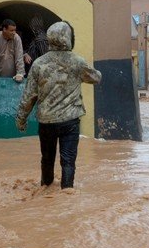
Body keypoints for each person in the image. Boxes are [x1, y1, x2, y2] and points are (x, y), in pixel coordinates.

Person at [16, 21, 102, 189]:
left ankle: (45, 190)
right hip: (70, 121)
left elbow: (29, 96)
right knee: (68, 160)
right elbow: (96, 78)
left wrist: (21, 119)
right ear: (68, 38)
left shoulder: (39, 63)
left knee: (47, 159)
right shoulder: (77, 62)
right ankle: (66, 193)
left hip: (46, 121)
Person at [0, 19, 25, 83]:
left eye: (15, 30)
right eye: (11, 30)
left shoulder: (16, 38)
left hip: (13, 78)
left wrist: (20, 73)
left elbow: (19, 57)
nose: (14, 33)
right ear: (4, 29)